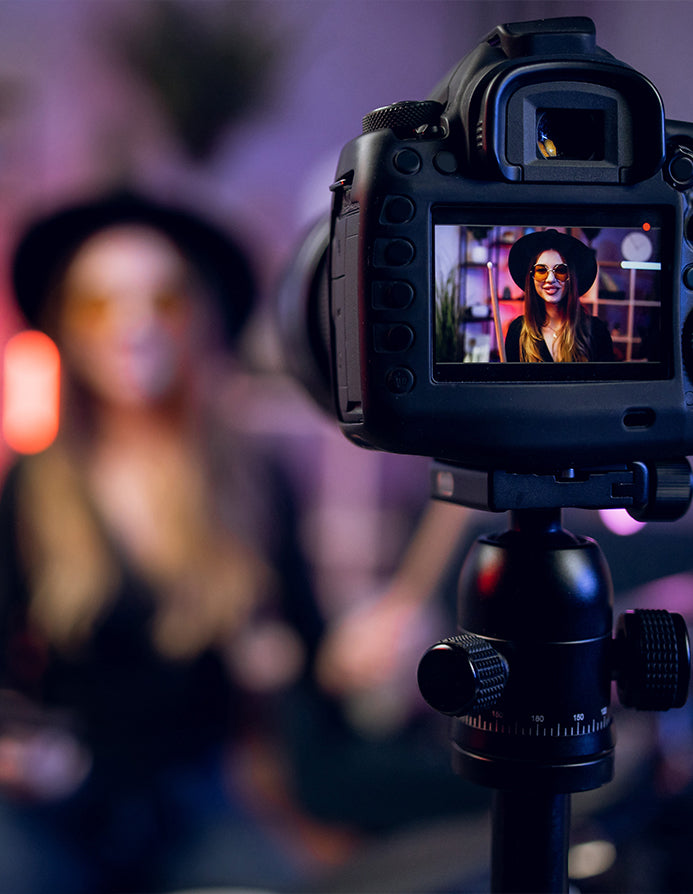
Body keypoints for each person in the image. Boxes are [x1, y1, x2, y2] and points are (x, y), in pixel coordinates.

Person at [0, 190, 328, 893]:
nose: (133, 324)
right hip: (57, 798)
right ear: (64, 325)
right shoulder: (31, 483)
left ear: (199, 317)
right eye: (98, 303)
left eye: (164, 299)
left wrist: (310, 661)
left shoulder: (253, 476)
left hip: (200, 798)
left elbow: (313, 654)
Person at [504, 229, 614, 362]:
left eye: (560, 270)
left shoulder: (596, 331)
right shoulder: (517, 332)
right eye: (541, 270)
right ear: (531, 278)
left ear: (571, 277)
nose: (550, 279)